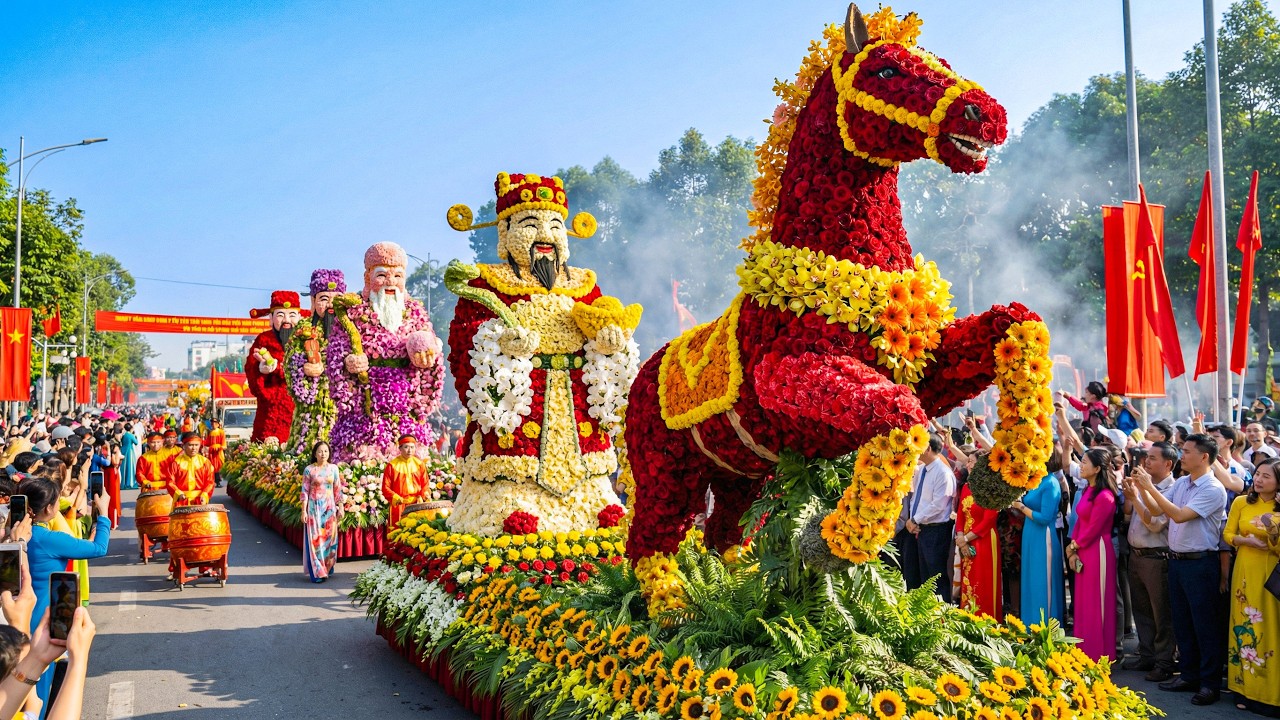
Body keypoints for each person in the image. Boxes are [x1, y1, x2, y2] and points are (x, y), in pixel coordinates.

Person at [1136, 433, 1229, 706]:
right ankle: (1188, 674)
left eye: (1187, 451)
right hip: (1177, 562)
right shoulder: (1183, 483)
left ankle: (1209, 683)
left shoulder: (1212, 488)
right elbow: (1156, 510)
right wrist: (1142, 488)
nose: (1182, 455)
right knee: (1183, 624)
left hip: (1201, 564)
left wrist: (1148, 488)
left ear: (1203, 457)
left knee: (1204, 626)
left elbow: (1178, 515)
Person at [327, 243, 444, 461]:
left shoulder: (414, 311)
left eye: (398, 276)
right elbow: (335, 350)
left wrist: (428, 353)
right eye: (382, 275)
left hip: (405, 399)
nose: (391, 282)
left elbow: (429, 346)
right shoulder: (353, 312)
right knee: (363, 452)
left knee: (411, 453)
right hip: (366, 401)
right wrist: (348, 361)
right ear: (367, 277)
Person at [19, 476, 109, 711]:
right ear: (49, 508)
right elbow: (99, 548)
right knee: (37, 683)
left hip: (14, 612)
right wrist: (105, 513)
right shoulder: (48, 538)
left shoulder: (15, 535)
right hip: (43, 615)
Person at [1223, 456, 1280, 714]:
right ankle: (1245, 689)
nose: (1258, 479)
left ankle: (1271, 694)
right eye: (1258, 474)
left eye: (1266, 476)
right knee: (1244, 627)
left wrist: (1271, 530)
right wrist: (1245, 542)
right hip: (1244, 573)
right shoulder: (1241, 502)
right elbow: (1227, 534)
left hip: (1271, 575)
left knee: (1270, 630)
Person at [1121, 441, 1177, 682]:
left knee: (1161, 612)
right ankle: (1147, 655)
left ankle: (1164, 661)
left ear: (1168, 464)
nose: (1147, 462)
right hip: (1137, 555)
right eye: (1147, 457)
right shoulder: (1148, 485)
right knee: (1142, 610)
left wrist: (1139, 493)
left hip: (1156, 557)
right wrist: (1131, 495)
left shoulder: (1170, 489)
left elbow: (1155, 525)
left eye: (1153, 458)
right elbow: (1128, 516)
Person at [284, 269, 345, 453]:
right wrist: (304, 368)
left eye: (336, 298)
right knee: (309, 444)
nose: (331, 304)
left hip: (342, 403)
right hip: (313, 408)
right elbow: (289, 362)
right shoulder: (303, 329)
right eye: (324, 299)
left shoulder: (352, 329)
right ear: (313, 301)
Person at [1067, 447, 1118, 661]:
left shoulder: (1105, 496)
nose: (1081, 464)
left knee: (1097, 603)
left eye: (1085, 462)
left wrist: (1075, 546)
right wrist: (1072, 548)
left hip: (1098, 551)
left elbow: (1095, 528)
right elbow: (1080, 522)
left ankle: (1099, 653)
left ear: (1097, 468)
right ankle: (1083, 650)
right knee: (1083, 602)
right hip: (1083, 548)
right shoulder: (1088, 489)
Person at [247, 290, 309, 444]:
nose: (286, 320)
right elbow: (251, 370)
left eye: (292, 315)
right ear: (271, 318)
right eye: (281, 315)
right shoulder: (263, 340)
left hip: (301, 408)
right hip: (271, 410)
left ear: (300, 317)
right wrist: (261, 370)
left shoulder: (308, 339)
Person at [901, 435, 956, 600]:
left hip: (936, 530)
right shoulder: (923, 469)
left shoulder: (943, 472)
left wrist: (914, 520)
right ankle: (926, 614)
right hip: (920, 528)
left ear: (928, 449)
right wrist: (911, 520)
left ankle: (941, 614)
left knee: (936, 575)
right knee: (923, 576)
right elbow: (915, 498)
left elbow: (938, 505)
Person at [954, 476, 1001, 618]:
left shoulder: (992, 488)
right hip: (966, 541)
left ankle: (986, 619)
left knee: (983, 579)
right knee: (968, 578)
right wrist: (961, 536)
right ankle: (968, 618)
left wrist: (966, 539)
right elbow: (960, 515)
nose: (968, 464)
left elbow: (989, 520)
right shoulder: (966, 486)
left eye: (971, 462)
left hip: (984, 539)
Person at [301, 441, 343, 583]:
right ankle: (318, 571)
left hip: (329, 508)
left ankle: (327, 566)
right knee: (316, 540)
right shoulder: (309, 470)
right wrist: (304, 511)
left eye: (326, 451)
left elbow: (337, 489)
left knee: (330, 539)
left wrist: (341, 507)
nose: (323, 454)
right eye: (320, 451)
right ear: (314, 454)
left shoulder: (333, 469)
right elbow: (304, 492)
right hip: (314, 509)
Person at [381, 436, 427, 528]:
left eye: (412, 447)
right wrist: (396, 497)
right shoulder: (392, 466)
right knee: (398, 534)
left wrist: (424, 494)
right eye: (406, 447)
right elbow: (385, 487)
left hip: (416, 504)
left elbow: (425, 484)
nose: (409, 450)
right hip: (399, 506)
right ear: (400, 449)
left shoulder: (420, 464)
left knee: (416, 533)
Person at [163, 432, 215, 507]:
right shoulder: (176, 462)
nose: (194, 448)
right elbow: (170, 482)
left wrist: (205, 494)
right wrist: (178, 493)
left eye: (196, 445)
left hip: (200, 501)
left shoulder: (205, 462)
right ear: (183, 446)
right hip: (181, 502)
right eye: (190, 445)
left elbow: (210, 482)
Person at [205, 420, 227, 488]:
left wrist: (220, 447)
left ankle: (218, 481)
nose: (213, 424)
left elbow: (223, 443)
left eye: (215, 423)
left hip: (218, 452)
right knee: (213, 467)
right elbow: (207, 442)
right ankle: (214, 481)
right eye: (212, 423)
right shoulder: (210, 432)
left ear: (218, 424)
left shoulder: (221, 432)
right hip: (212, 452)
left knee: (219, 466)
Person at [118, 424, 139, 490]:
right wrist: (135, 437)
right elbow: (136, 443)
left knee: (123, 468)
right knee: (130, 467)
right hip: (129, 451)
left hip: (123, 451)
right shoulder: (131, 435)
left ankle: (123, 483)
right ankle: (130, 483)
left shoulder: (124, 435)